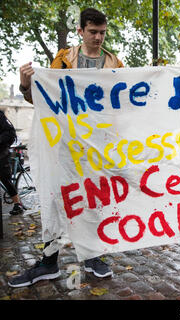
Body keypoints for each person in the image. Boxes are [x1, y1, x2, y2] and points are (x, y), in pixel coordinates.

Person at [9, 8, 124, 288]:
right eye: (93, 32)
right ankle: (48, 262)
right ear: (80, 31)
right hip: (62, 147)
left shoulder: (116, 64)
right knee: (54, 200)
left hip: (96, 147)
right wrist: (26, 86)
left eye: (102, 32)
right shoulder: (62, 60)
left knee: (93, 201)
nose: (98, 37)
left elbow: (124, 106)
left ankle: (92, 256)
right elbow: (46, 102)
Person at [0, 110, 25, 215]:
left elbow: (10, 132)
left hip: (1, 152)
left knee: (4, 178)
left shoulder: (0, 116)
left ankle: (17, 204)